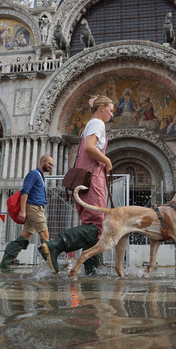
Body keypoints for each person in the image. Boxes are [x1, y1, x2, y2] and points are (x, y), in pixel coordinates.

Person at [41, 95, 114, 275]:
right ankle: (54, 246)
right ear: (102, 107)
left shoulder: (89, 125)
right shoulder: (98, 123)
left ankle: (92, 271)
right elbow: (90, 147)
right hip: (92, 179)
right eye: (111, 110)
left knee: (91, 223)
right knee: (97, 225)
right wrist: (107, 161)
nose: (112, 114)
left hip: (83, 180)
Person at [0, 155, 55, 269]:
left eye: (52, 165)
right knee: (44, 234)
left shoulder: (40, 176)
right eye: (49, 163)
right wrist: (23, 210)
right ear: (42, 161)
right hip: (34, 208)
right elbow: (25, 191)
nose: (51, 166)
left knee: (26, 235)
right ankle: (53, 263)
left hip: (37, 207)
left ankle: (5, 262)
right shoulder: (34, 174)